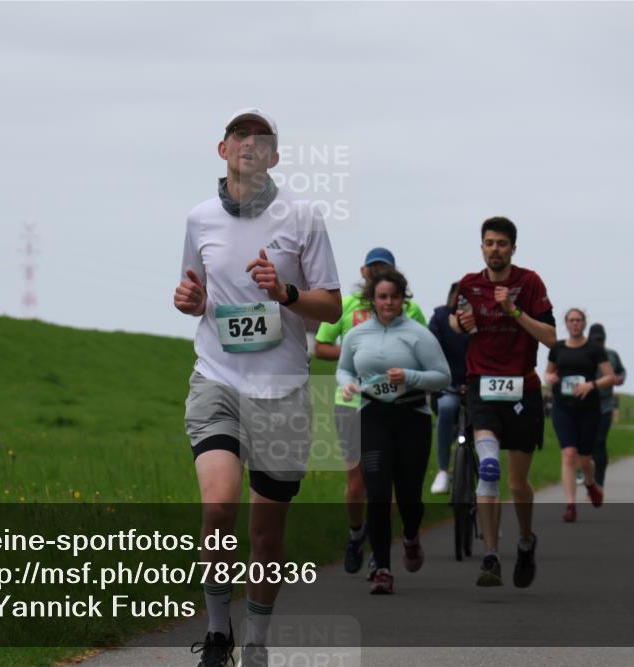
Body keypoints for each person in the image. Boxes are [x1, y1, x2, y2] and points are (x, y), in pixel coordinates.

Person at [174, 108, 341, 667]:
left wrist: (286, 294)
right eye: (239, 136)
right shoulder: (199, 218)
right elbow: (196, 292)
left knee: (266, 536)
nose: (250, 144)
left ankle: (258, 644)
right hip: (217, 379)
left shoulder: (304, 217)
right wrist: (191, 302)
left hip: (284, 390)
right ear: (222, 150)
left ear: (274, 156)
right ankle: (218, 632)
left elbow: (332, 305)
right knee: (219, 502)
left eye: (261, 139)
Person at [450, 216, 556, 588]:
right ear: (481, 247)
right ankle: (491, 556)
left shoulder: (529, 283)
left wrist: (513, 311)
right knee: (490, 468)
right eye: (489, 243)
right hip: (481, 385)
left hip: (522, 389)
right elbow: (454, 321)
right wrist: (460, 324)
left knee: (518, 482)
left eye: (502, 243)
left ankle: (526, 539)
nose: (495, 249)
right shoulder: (469, 284)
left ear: (513, 247)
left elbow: (550, 337)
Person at [313, 247, 426, 575]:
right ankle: (355, 533)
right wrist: (355, 353)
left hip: (392, 403)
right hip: (351, 402)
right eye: (373, 269)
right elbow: (319, 346)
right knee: (357, 481)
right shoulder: (347, 306)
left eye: (384, 269)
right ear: (363, 272)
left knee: (384, 483)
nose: (377, 274)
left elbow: (425, 349)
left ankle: (381, 552)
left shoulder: (410, 309)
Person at [336, 268, 449, 594]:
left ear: (403, 299)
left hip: (412, 416)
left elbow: (442, 375)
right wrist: (348, 386)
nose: (388, 303)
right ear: (372, 298)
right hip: (373, 416)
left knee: (410, 496)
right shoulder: (357, 335)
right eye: (382, 297)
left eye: (394, 297)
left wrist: (410, 377)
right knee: (378, 492)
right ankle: (382, 567)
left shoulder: (418, 334)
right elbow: (344, 369)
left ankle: (412, 535)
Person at [545, 310, 616, 523]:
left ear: (584, 324)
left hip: (588, 409)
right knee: (568, 454)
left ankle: (590, 483)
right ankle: (570, 505)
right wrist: (550, 378)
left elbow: (610, 377)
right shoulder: (557, 348)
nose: (575, 324)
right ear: (566, 324)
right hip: (563, 407)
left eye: (578, 320)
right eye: (571, 320)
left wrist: (591, 385)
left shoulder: (594, 349)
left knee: (585, 459)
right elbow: (548, 373)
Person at [428, 282, 471, 494]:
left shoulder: (479, 321)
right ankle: (443, 470)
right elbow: (431, 348)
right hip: (448, 386)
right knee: (445, 408)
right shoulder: (439, 317)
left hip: (476, 387)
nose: (461, 300)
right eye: (458, 296)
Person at [587, 323, 626, 489]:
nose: (598, 343)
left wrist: (619, 378)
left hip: (605, 404)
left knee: (600, 442)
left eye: (600, 340)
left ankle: (599, 481)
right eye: (595, 340)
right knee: (586, 444)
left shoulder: (611, 354)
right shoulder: (583, 353)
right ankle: (586, 471)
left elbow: (622, 371)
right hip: (585, 404)